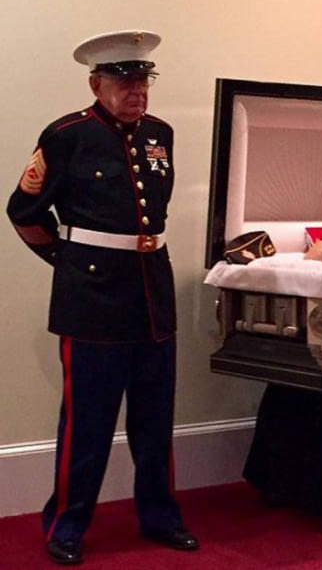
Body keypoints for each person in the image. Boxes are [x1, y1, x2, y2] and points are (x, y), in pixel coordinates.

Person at [6, 30, 198, 565]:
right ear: (97, 83)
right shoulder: (67, 135)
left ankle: (160, 517)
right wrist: (67, 266)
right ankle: (66, 526)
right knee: (87, 425)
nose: (136, 90)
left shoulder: (162, 133)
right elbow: (22, 211)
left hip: (151, 298)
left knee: (155, 422)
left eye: (143, 79)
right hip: (91, 301)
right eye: (124, 79)